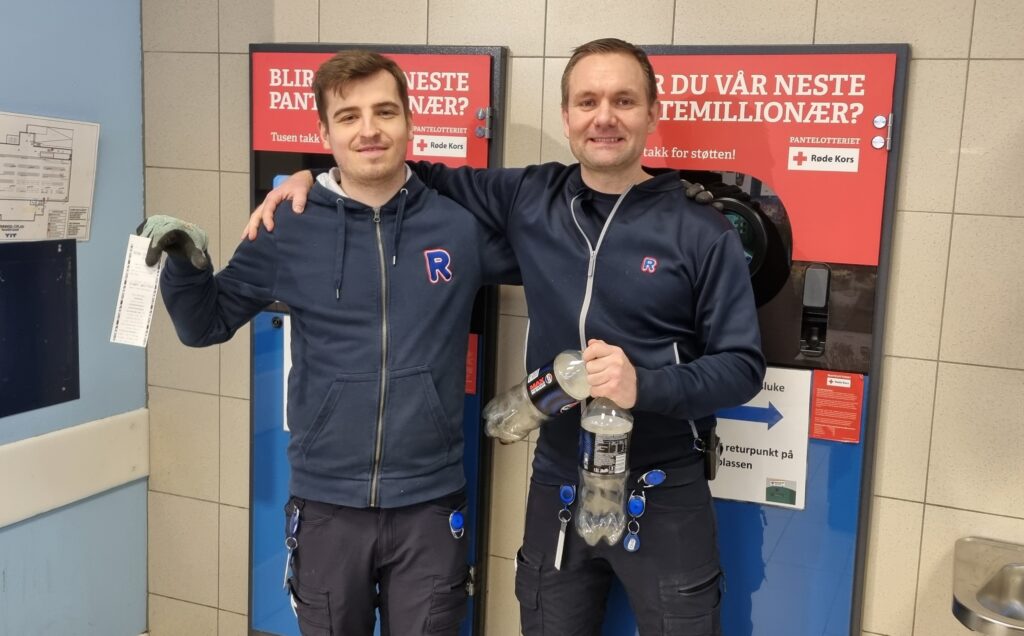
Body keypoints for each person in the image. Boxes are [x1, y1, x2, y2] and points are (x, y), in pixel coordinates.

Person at [248, 39, 766, 635]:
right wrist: (311, 178)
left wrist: (643, 385)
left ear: (652, 113)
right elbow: (401, 173)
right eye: (587, 102)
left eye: (624, 101)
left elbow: (742, 366)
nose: (604, 117)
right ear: (566, 116)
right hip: (559, 484)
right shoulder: (531, 196)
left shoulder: (701, 230)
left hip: (665, 487)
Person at [140, 50, 517, 635]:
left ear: (410, 121)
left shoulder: (458, 225)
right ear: (324, 133)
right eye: (348, 117)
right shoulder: (287, 225)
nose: (369, 129)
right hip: (326, 506)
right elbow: (204, 324)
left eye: (385, 112)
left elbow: (562, 253)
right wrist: (187, 265)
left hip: (430, 502)